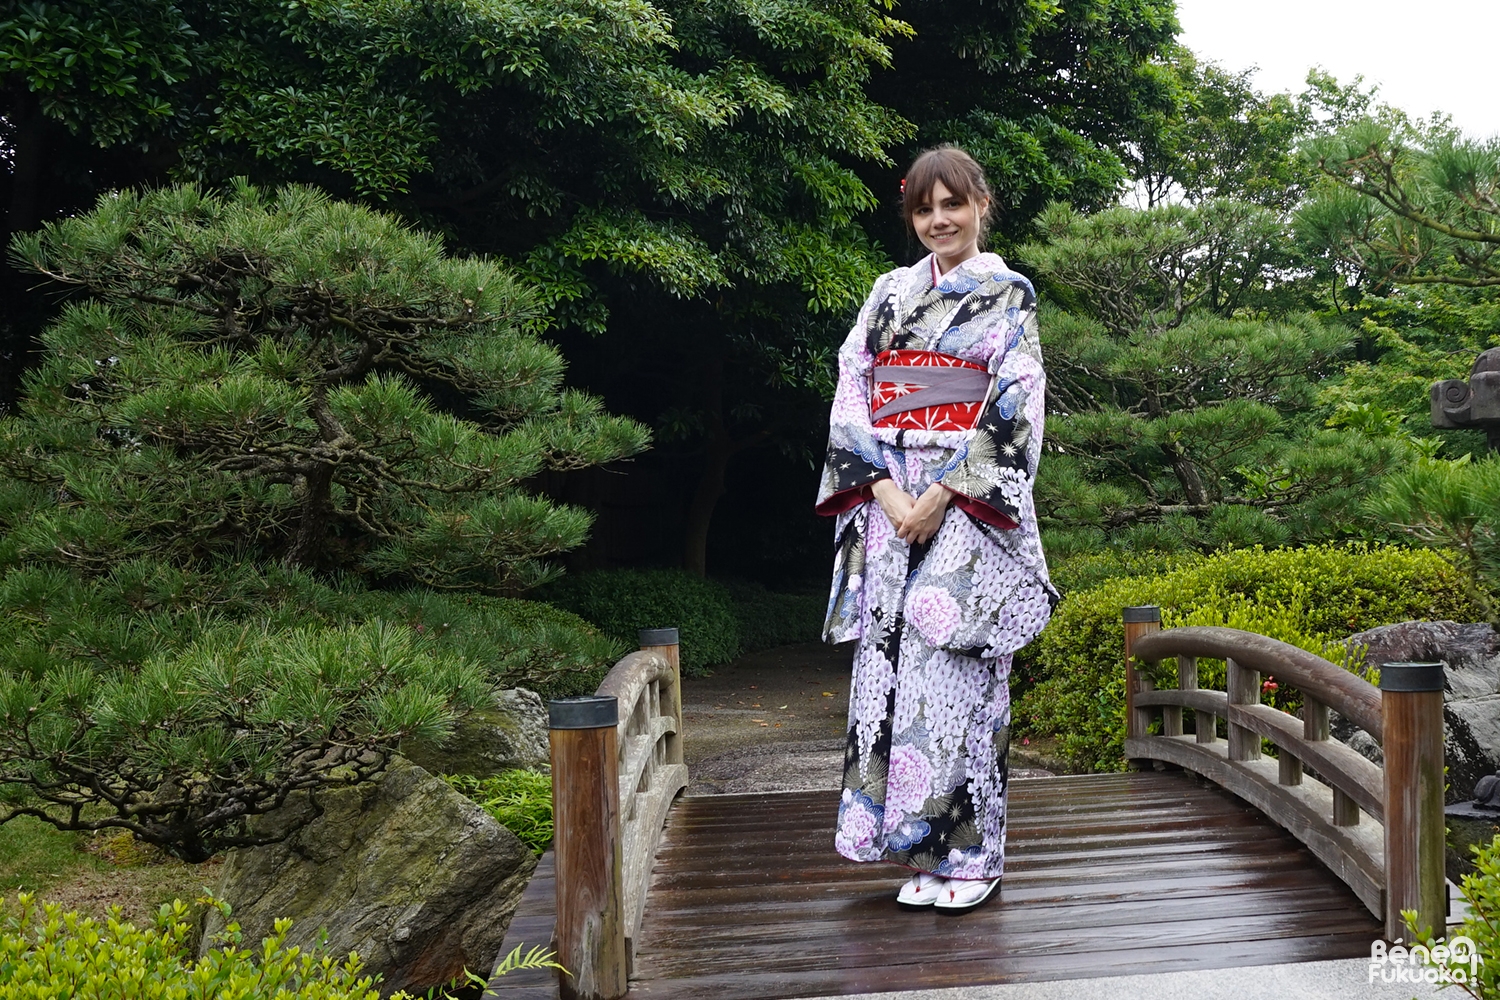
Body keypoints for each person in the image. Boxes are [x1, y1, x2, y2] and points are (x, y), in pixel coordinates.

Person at [814, 145, 1058, 914]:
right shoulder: (888, 293)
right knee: (892, 681)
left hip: (963, 511)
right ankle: (918, 852)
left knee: (958, 679)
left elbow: (1015, 404)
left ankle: (973, 857)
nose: (938, 220)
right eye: (924, 208)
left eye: (952, 204)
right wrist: (884, 489)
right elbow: (853, 392)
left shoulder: (1008, 295)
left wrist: (944, 492)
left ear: (982, 204)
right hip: (889, 507)